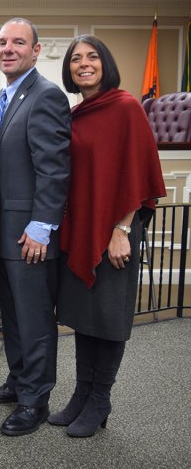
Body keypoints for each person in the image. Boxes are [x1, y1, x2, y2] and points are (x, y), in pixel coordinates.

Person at [51, 35, 165, 437]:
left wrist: (121, 229)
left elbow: (140, 174)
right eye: (76, 59)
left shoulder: (126, 107)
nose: (84, 64)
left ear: (105, 63)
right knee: (86, 316)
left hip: (117, 229)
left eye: (92, 57)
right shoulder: (76, 113)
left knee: (110, 316)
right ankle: (81, 395)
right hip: (82, 227)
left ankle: (100, 400)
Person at [0, 17, 71, 436]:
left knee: (33, 318)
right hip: (3, 229)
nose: (7, 49)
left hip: (30, 232)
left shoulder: (47, 96)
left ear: (35, 50)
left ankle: (35, 400)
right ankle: (18, 381)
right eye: (1, 42)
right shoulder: (0, 100)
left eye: (18, 42)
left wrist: (42, 227)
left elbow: (54, 170)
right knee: (12, 313)